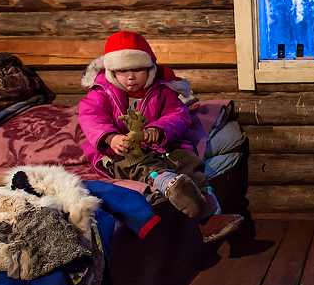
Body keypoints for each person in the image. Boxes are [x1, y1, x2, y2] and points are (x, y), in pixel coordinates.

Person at [78, 31, 243, 243]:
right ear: (111, 72)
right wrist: (110, 138)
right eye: (122, 71)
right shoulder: (101, 93)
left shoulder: (162, 90)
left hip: (162, 145)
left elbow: (178, 115)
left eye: (137, 69)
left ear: (149, 69)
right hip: (121, 150)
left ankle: (211, 218)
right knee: (134, 162)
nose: (130, 77)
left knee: (189, 161)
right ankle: (170, 185)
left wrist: (159, 129)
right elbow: (91, 118)